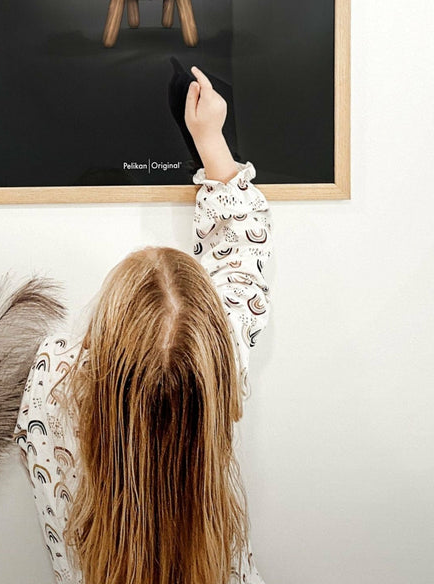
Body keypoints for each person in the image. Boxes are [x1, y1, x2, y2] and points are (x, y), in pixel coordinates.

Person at [14, 66, 272, 584]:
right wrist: (210, 138)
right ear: (215, 351)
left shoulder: (56, 381)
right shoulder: (219, 364)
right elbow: (242, 255)